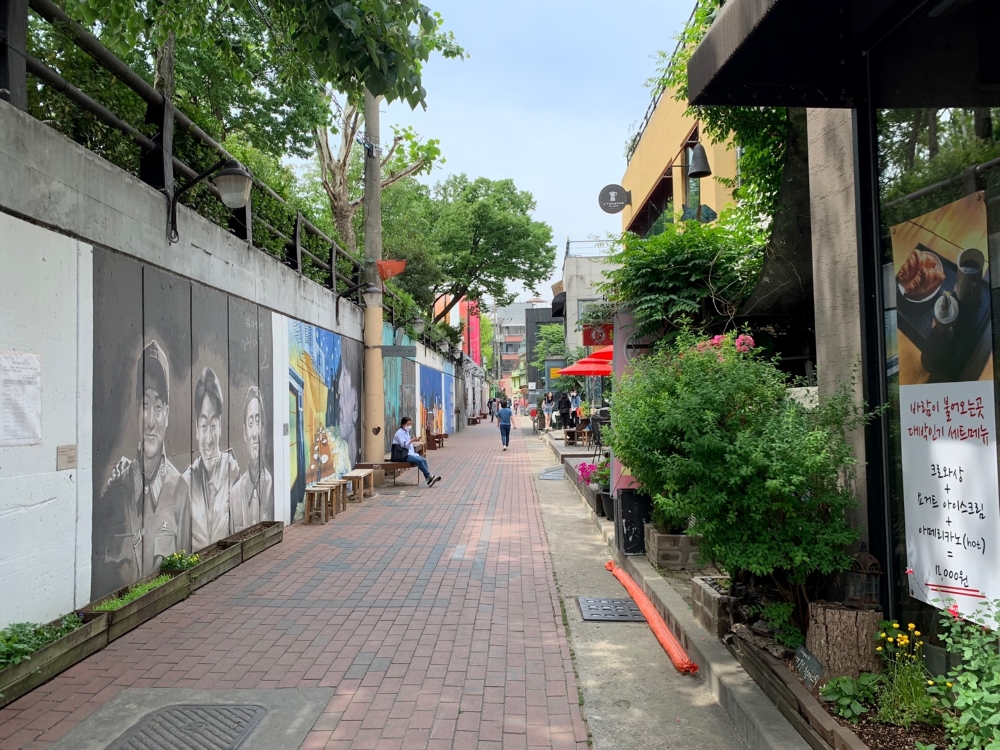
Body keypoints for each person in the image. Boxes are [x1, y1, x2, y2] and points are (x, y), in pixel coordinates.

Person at [93, 340, 191, 597]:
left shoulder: (180, 491)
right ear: (137, 410)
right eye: (145, 405)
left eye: (158, 407)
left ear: (167, 414)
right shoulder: (116, 489)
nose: (151, 420)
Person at [185, 367, 240, 551]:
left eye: (213, 425)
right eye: (203, 426)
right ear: (196, 429)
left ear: (220, 426)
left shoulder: (232, 471)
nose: (208, 438)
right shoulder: (186, 482)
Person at [232, 386, 274, 533]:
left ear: (264, 428)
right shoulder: (235, 493)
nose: (255, 433)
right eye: (250, 424)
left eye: (258, 422)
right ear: (245, 433)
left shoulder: (271, 484)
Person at [394, 417, 441, 487]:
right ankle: (430, 476)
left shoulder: (406, 432)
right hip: (401, 455)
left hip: (408, 453)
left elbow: (408, 444)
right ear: (402, 424)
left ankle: (428, 480)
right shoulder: (399, 433)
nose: (409, 426)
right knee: (419, 460)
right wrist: (412, 440)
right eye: (408, 424)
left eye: (410, 424)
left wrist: (413, 440)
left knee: (424, 460)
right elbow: (403, 445)